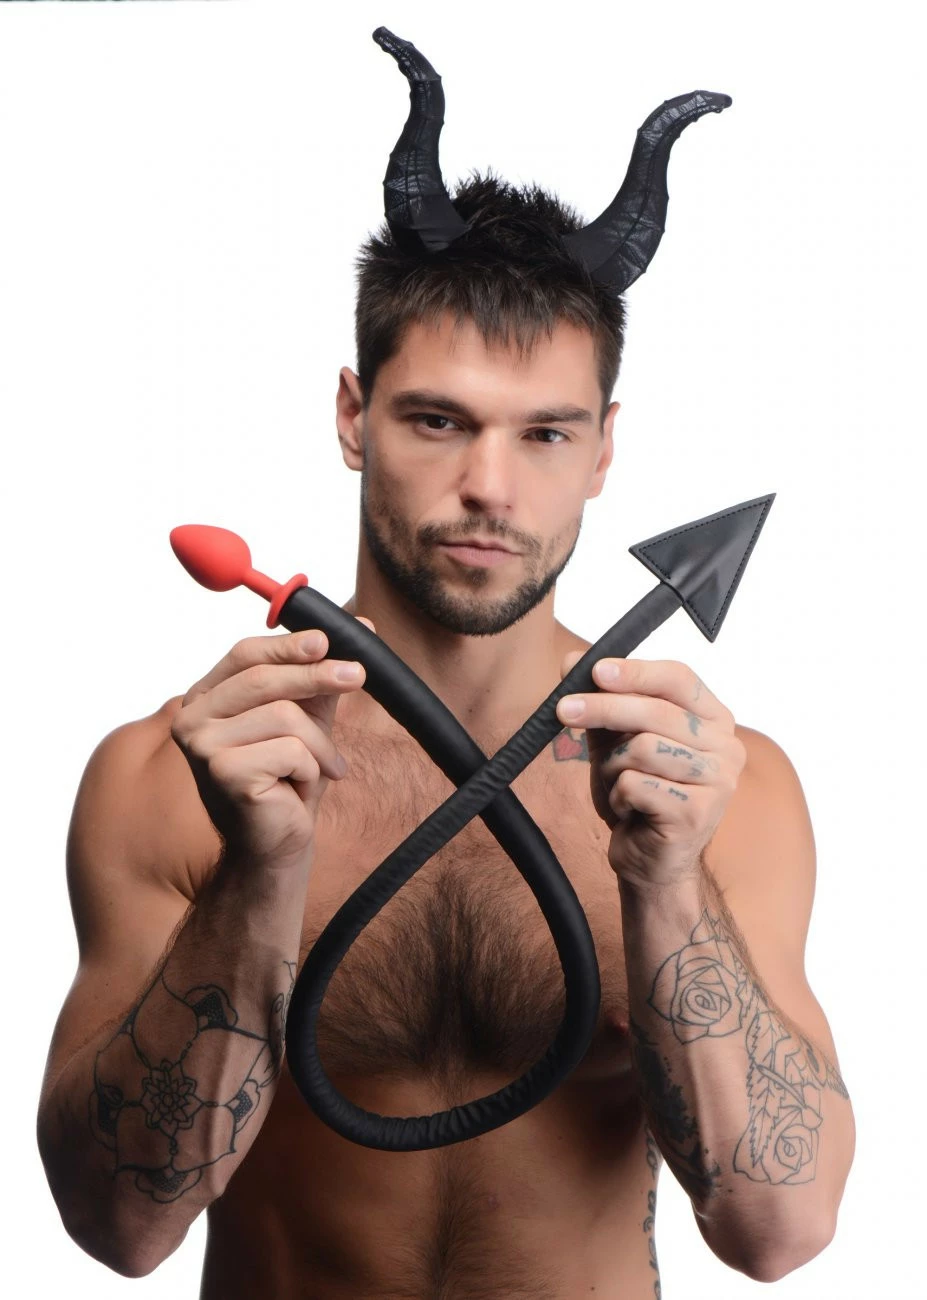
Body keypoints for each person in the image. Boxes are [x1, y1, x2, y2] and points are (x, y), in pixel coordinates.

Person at [36, 29, 855, 1299]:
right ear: (354, 416)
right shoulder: (178, 773)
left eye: (545, 434)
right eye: (438, 419)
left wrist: (665, 884)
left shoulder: (718, 788)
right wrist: (257, 878)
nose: (489, 487)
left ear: (603, 450)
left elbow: (779, 1230)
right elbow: (120, 1227)